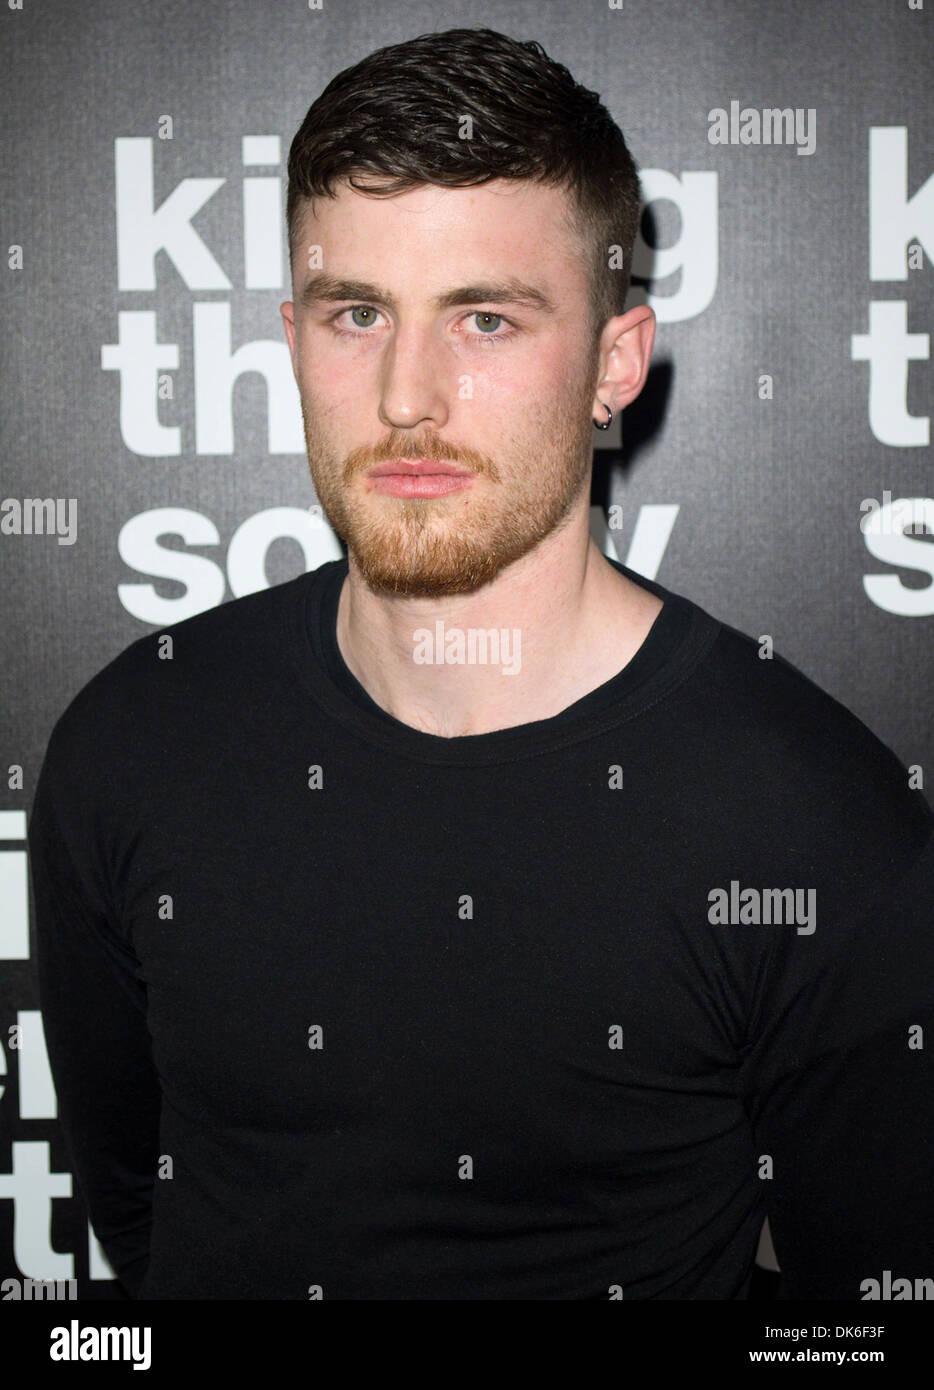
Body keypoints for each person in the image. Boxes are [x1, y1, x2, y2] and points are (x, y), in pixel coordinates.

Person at [30, 27, 934, 1300]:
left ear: (614, 362)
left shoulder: (814, 819)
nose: (408, 395)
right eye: (357, 314)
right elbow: (138, 1206)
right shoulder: (132, 740)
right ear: (291, 337)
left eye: (486, 319)